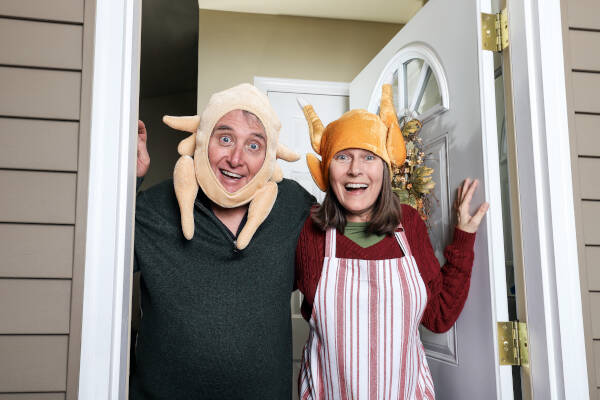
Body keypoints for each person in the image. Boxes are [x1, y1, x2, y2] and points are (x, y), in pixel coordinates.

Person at [294, 85, 489, 399]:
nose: (355, 169)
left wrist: (463, 238)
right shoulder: (308, 231)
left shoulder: (408, 223)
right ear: (327, 170)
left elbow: (439, 316)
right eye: (343, 157)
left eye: (368, 157)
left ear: (384, 170)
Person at [131, 84, 315, 399]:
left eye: (254, 145)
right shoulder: (155, 208)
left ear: (270, 156)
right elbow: (98, 256)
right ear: (202, 141)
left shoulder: (293, 205)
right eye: (225, 138)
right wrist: (127, 177)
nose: (235, 159)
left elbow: (342, 256)